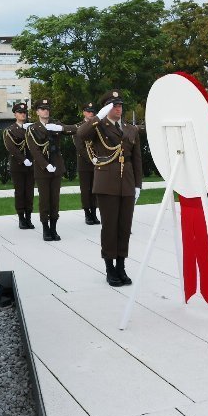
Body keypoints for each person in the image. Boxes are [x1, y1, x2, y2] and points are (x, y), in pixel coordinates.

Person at [77, 90, 142, 287]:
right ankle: (109, 268)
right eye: (114, 105)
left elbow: (137, 159)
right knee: (110, 227)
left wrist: (138, 184)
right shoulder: (98, 127)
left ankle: (121, 266)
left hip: (127, 184)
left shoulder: (131, 130)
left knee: (124, 227)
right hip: (106, 184)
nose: (119, 108)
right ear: (106, 108)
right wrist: (98, 116)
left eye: (120, 105)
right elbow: (81, 134)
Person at [26, 99, 77, 241]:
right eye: (42, 109)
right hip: (42, 169)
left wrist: (60, 128)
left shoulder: (56, 124)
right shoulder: (32, 128)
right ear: (37, 112)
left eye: (47, 108)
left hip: (56, 167)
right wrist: (45, 164)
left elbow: (74, 129)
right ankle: (45, 229)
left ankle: (54, 228)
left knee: (55, 199)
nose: (45, 111)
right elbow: (34, 150)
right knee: (44, 200)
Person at [3, 102, 36, 230]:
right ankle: (21, 219)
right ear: (15, 114)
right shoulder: (10, 130)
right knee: (20, 192)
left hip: (31, 165)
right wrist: (23, 159)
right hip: (18, 166)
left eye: (24, 113)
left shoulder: (30, 129)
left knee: (29, 192)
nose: (23, 114)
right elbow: (12, 148)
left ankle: (28, 217)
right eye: (20, 112)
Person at [75, 102, 101, 225]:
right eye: (89, 111)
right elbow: (80, 147)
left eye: (93, 112)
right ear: (84, 112)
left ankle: (94, 214)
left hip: (97, 162)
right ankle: (87, 214)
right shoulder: (79, 126)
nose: (91, 114)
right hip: (85, 163)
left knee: (95, 189)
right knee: (86, 189)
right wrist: (92, 158)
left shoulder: (97, 125)